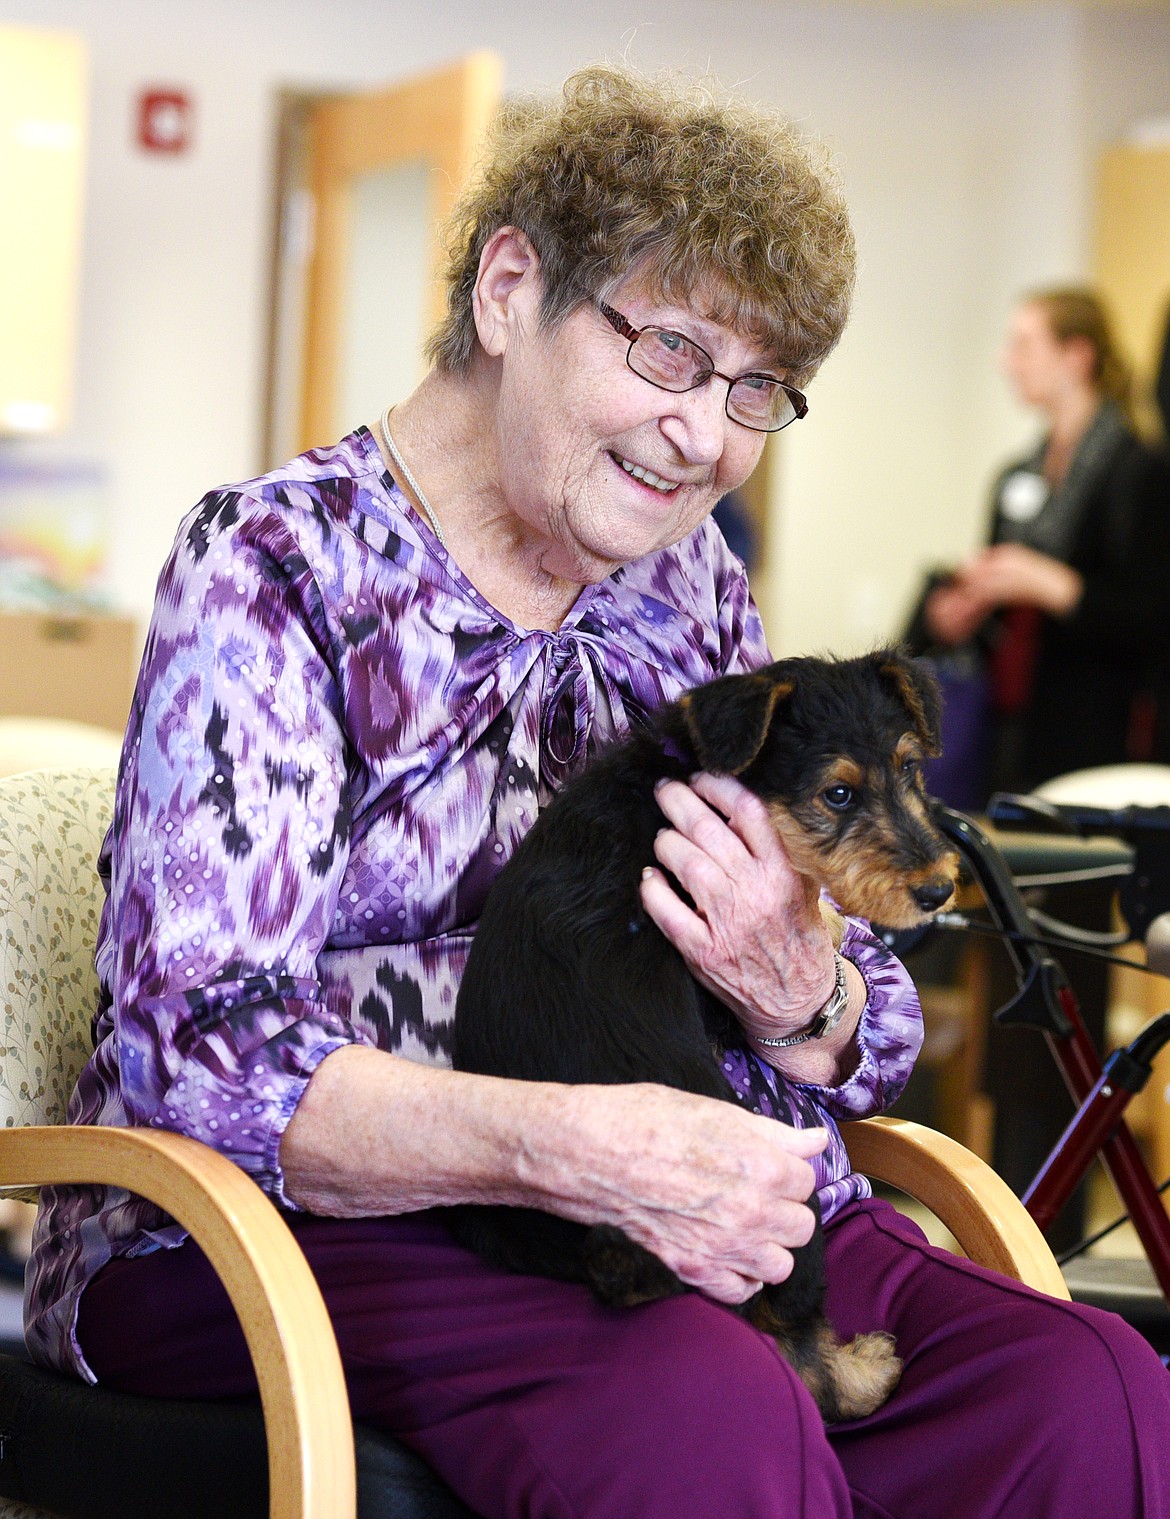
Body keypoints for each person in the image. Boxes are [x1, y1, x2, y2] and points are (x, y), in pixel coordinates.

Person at [26, 67, 1170, 1519]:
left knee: (1088, 1386)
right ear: (509, 288)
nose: (708, 435)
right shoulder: (280, 569)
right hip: (288, 1219)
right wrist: (574, 1147)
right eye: (675, 352)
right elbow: (200, 1049)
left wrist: (794, 989)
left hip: (685, 1187)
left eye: (757, 386)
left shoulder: (689, 587)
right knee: (701, 1405)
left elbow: (864, 1023)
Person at [923, 286, 1170, 797]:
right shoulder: (1016, 473)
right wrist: (960, 611)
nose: (1005, 361)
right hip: (1010, 720)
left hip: (1103, 731)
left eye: (1023, 346)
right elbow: (997, 609)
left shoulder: (1144, 473)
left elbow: (1152, 616)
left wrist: (1052, 585)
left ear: (1078, 356)